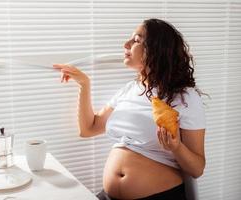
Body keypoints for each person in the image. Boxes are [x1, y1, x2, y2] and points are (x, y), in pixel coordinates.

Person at [53, 18, 206, 200]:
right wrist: (84, 84)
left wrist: (176, 147)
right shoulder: (130, 89)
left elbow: (197, 169)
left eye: (136, 40)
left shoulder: (185, 97)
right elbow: (89, 128)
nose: (125, 44)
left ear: (156, 51)